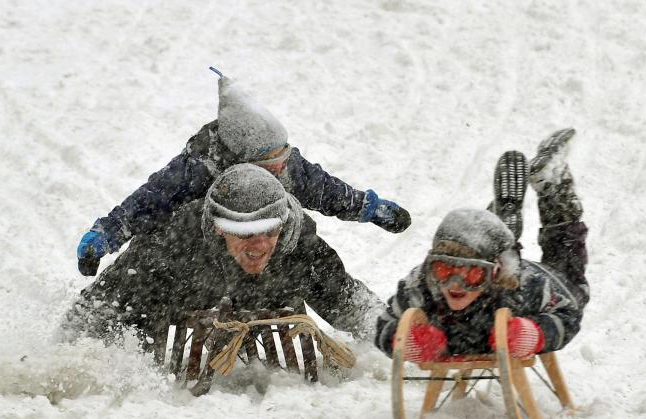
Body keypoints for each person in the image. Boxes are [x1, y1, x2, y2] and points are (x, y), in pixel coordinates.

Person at [76, 69, 411, 276]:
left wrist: (369, 207)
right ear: (241, 162)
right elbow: (144, 207)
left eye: (285, 156)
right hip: (195, 262)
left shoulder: (284, 166)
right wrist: (104, 237)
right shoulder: (196, 170)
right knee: (142, 265)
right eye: (271, 163)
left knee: (310, 250)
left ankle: (371, 322)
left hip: (260, 260)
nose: (281, 166)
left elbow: (325, 190)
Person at [63, 163, 385, 345]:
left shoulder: (298, 246)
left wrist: (398, 336)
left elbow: (348, 300)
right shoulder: (172, 245)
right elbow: (99, 309)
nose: (259, 245)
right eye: (245, 234)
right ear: (219, 228)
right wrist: (76, 355)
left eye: (269, 231)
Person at [375, 128, 588, 360]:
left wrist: (533, 332)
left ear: (492, 273)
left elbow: (568, 313)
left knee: (576, 286)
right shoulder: (420, 287)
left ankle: (553, 186)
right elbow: (384, 325)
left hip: (540, 278)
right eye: (444, 270)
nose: (456, 284)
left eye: (472, 275)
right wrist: (410, 341)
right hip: (494, 278)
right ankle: (497, 226)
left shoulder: (521, 290)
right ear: (431, 265)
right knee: (486, 247)